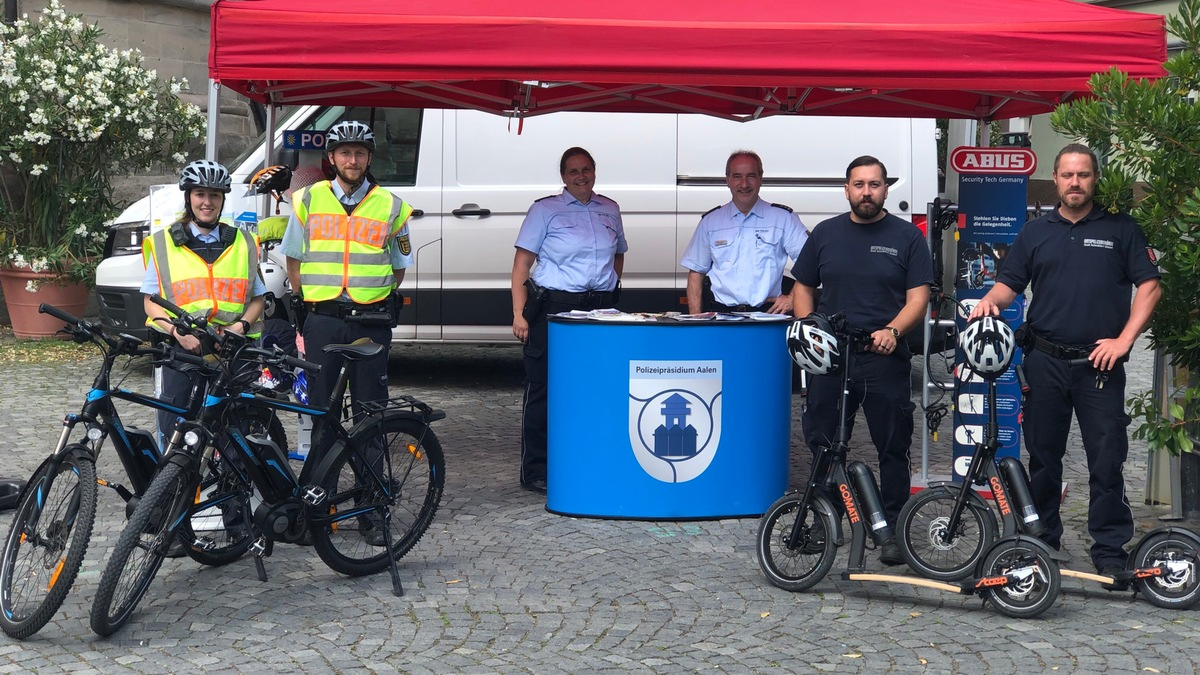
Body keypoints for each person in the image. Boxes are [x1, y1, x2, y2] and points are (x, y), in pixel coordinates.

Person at [969, 143, 1161, 580]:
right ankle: (1042, 541)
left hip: (1100, 367)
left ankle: (1110, 548)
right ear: (1055, 179)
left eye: (1084, 175)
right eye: (1068, 175)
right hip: (1045, 361)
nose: (1075, 183)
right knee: (1043, 457)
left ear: (1095, 179)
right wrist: (987, 303)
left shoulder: (1120, 229)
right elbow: (1008, 286)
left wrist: (1124, 340)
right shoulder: (1035, 233)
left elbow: (1149, 287)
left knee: (1107, 459)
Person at [790, 155, 933, 566]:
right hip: (833, 360)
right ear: (846, 189)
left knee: (893, 446)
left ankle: (891, 527)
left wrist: (892, 331)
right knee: (823, 443)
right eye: (858, 184)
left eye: (874, 184)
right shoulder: (825, 234)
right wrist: (808, 329)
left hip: (884, 359)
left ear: (886, 189)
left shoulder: (907, 237)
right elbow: (803, 285)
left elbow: (918, 298)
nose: (866, 192)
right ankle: (823, 519)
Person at [282, 121, 414, 544]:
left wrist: (373, 297)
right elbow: (294, 259)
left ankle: (372, 510)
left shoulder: (392, 206)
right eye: (344, 153)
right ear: (332, 158)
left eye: (359, 153)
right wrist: (304, 304)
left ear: (369, 158)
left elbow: (398, 266)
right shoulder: (307, 200)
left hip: (370, 319)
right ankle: (314, 511)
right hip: (322, 317)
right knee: (321, 413)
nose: (352, 160)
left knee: (370, 414)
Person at [511, 147, 627, 494]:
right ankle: (536, 470)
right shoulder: (545, 210)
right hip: (555, 308)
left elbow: (618, 254)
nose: (581, 176)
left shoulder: (610, 209)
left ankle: (590, 458)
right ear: (563, 176)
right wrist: (519, 313)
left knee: (598, 386)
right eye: (574, 171)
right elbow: (521, 265)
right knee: (544, 388)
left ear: (595, 172)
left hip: (600, 310)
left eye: (587, 170)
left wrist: (610, 288)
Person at [141, 159, 266, 449]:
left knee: (236, 430)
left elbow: (258, 298)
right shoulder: (164, 243)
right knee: (178, 429)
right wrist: (176, 333)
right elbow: (150, 302)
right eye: (200, 194)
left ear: (223, 200)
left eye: (214, 195)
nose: (207, 202)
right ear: (189, 198)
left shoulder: (244, 242)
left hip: (234, 349)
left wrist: (240, 325)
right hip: (184, 350)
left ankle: (233, 493)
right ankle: (179, 492)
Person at [680, 151, 808, 314]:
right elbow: (696, 274)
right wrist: (696, 322)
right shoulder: (710, 222)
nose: (744, 184)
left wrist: (792, 298)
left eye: (751, 176)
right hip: (722, 317)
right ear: (727, 180)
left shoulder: (783, 219)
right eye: (737, 176)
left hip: (767, 317)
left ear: (761, 178)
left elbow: (810, 263)